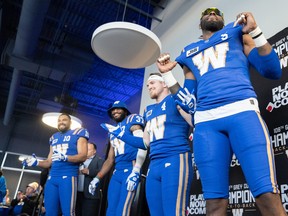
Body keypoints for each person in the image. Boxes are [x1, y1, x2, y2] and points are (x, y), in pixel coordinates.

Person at [156, 7, 286, 216]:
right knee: (214, 205)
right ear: (201, 23)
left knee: (267, 196)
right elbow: (188, 101)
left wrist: (256, 31)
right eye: (207, 12)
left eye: (217, 12)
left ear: (223, 20)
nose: (212, 13)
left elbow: (272, 70)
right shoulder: (189, 52)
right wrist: (168, 77)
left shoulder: (236, 33)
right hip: (207, 125)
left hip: (242, 112)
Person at [102, 74, 194, 215]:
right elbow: (144, 143)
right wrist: (121, 135)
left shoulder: (175, 98)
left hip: (175, 157)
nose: (149, 86)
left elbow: (195, 121)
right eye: (147, 85)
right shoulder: (148, 110)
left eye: (152, 83)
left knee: (173, 211)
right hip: (154, 164)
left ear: (164, 84)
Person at [22, 113, 89, 216]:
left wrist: (66, 157)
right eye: (59, 120)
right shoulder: (54, 137)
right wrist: (37, 162)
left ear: (70, 122)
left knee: (68, 212)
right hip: (52, 178)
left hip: (68, 177)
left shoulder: (78, 132)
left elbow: (83, 156)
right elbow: (49, 161)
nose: (61, 122)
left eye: (64, 120)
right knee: (50, 212)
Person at [89, 101, 147, 216]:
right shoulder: (112, 131)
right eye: (112, 110)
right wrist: (97, 178)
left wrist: (136, 170)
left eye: (118, 108)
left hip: (130, 167)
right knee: (110, 210)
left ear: (125, 111)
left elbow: (142, 144)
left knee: (122, 210)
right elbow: (110, 159)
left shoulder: (132, 120)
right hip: (117, 172)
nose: (115, 111)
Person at [76, 142, 104, 216]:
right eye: (85, 149)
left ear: (94, 151)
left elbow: (102, 173)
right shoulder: (79, 160)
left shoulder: (100, 160)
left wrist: (89, 171)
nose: (86, 151)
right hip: (77, 194)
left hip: (90, 196)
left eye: (88, 149)